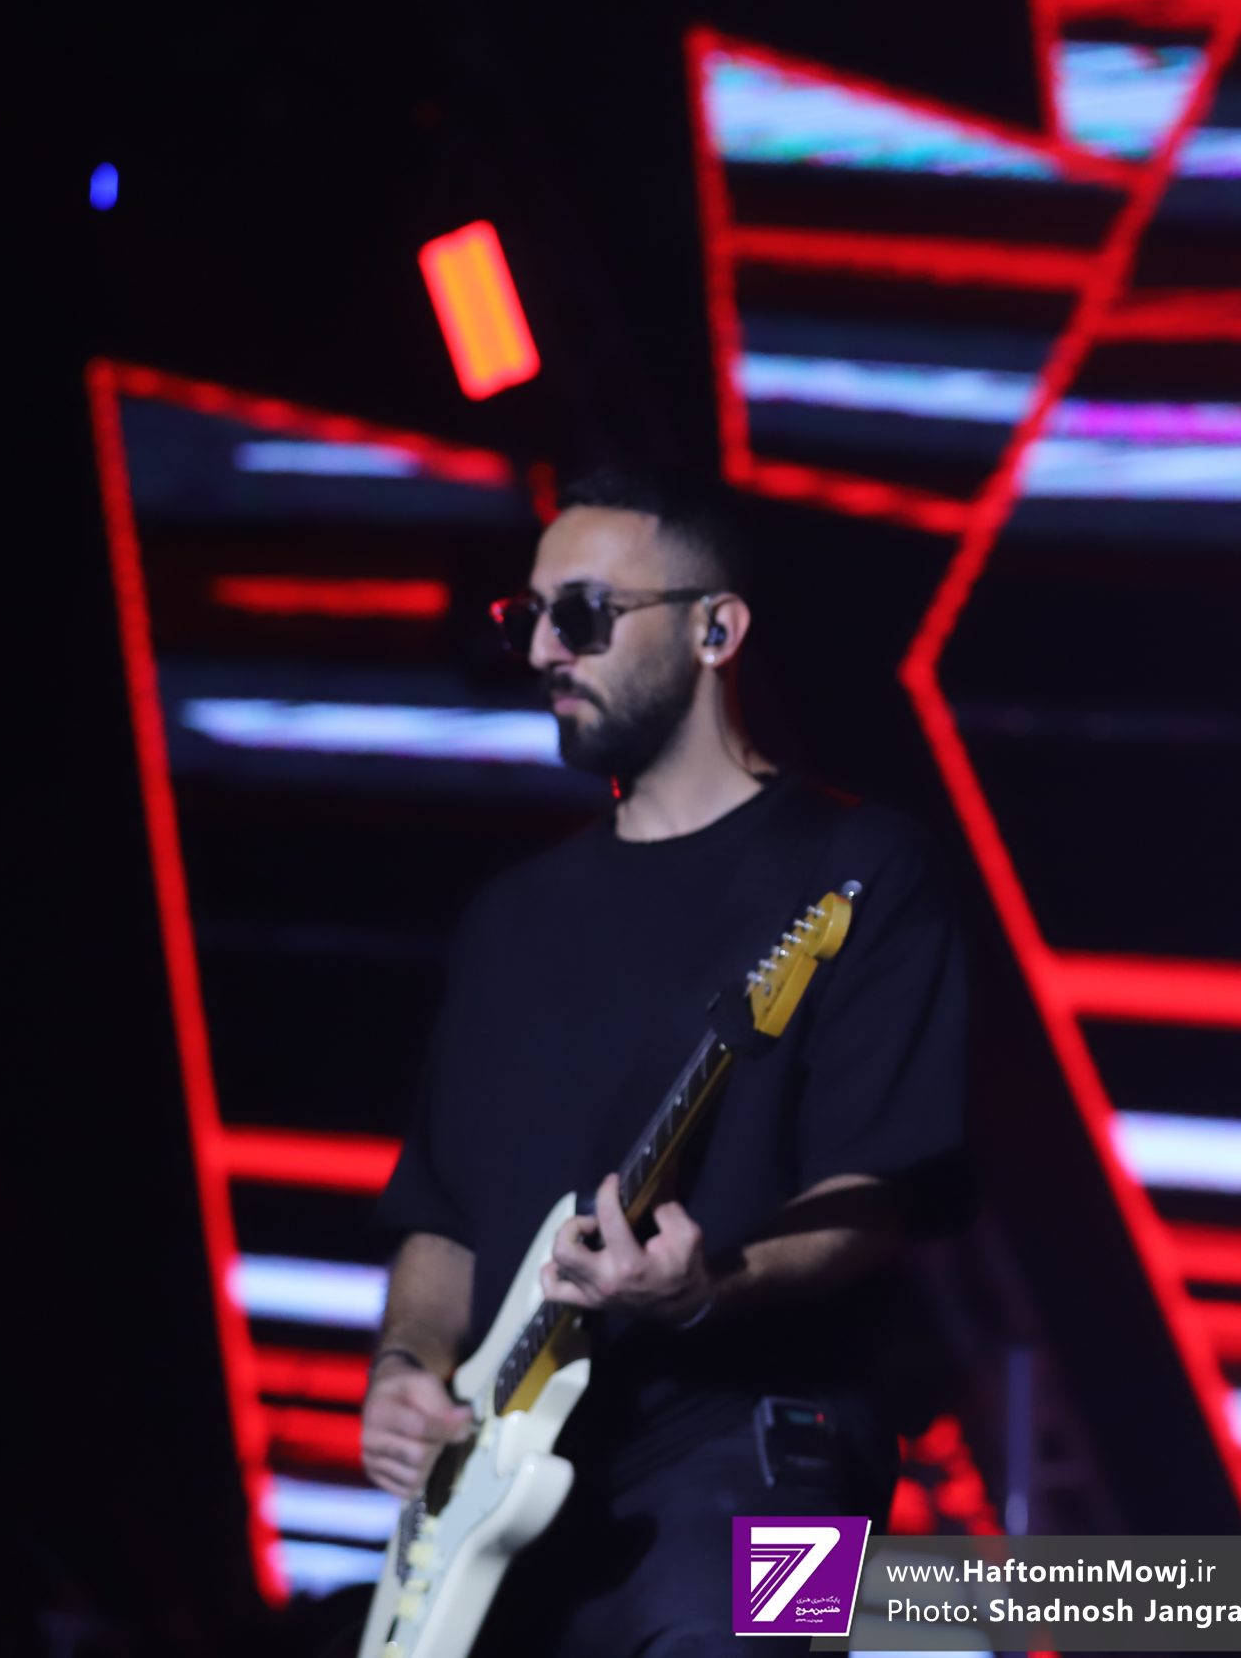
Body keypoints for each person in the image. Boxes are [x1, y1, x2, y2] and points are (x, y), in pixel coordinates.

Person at [357, 470, 968, 1656]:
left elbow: (879, 1195)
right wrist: (405, 1367)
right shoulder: (509, 919)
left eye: (583, 614)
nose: (544, 647)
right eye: (528, 616)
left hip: (774, 1453)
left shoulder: (861, 868)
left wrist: (705, 1289)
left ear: (716, 630)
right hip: (511, 1485)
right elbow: (441, 1213)